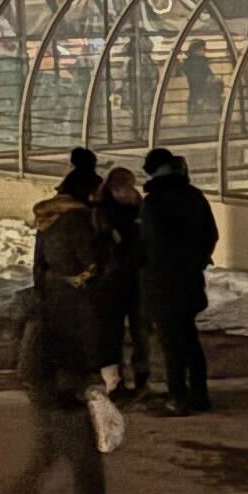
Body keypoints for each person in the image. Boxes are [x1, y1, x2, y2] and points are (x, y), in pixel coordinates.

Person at [0, 193, 121, 494]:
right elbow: (87, 326)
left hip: (42, 370)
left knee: (44, 456)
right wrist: (104, 366)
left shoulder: (49, 257)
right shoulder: (80, 285)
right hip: (63, 376)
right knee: (87, 467)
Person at [139, 148, 219, 413]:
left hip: (163, 281)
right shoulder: (194, 196)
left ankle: (178, 396)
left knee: (171, 342)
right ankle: (200, 394)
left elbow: (151, 243)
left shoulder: (153, 202)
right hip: (190, 279)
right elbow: (211, 234)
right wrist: (196, 260)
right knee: (189, 339)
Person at [95, 164, 149, 398]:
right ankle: (114, 381)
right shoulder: (103, 212)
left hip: (135, 278)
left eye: (127, 188)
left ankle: (141, 377)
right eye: (120, 189)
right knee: (113, 333)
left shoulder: (141, 207)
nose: (124, 193)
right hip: (113, 280)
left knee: (140, 331)